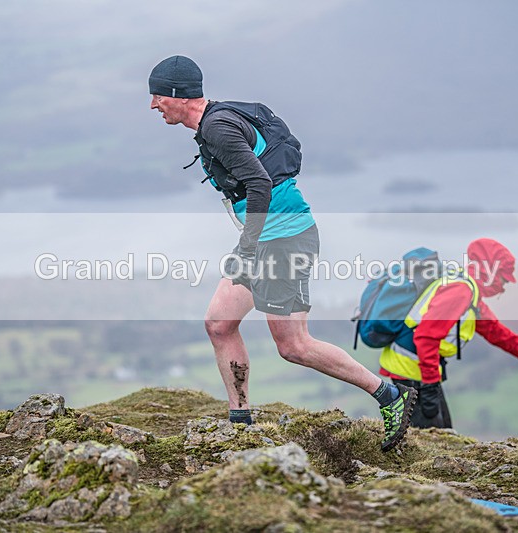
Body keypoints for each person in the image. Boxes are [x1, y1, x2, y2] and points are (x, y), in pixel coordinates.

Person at [148, 55, 416, 451]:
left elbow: (259, 183)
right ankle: (240, 421)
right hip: (264, 238)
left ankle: (390, 396)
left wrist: (252, 242)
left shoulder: (218, 126)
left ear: (176, 94)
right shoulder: (217, 119)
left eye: (156, 97)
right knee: (219, 324)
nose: (153, 106)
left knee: (294, 346)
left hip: (283, 239)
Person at [378, 238, 518, 429]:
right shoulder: (460, 291)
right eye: (503, 278)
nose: (504, 286)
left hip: (419, 369)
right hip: (410, 369)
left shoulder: (467, 289)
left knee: (442, 433)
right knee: (431, 437)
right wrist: (429, 386)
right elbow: (426, 336)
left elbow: (493, 330)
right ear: (490, 273)